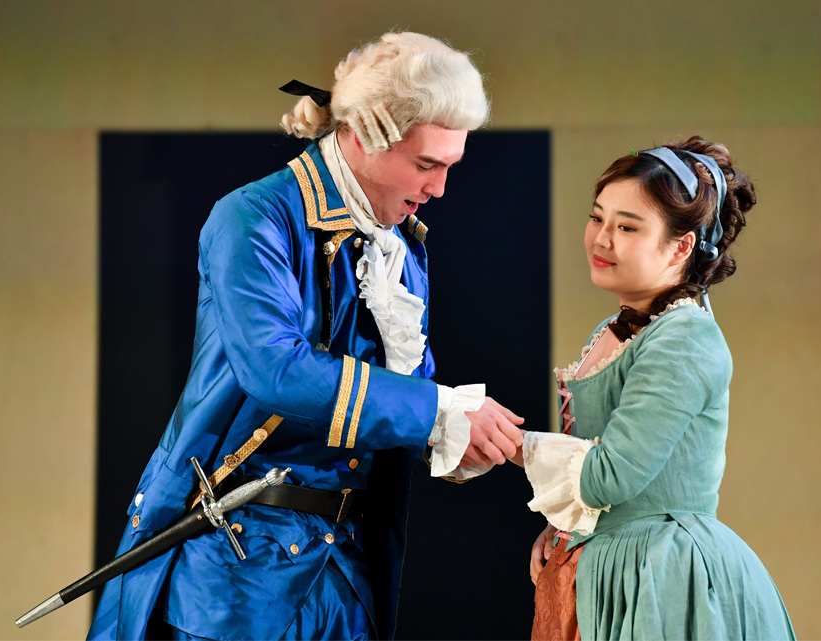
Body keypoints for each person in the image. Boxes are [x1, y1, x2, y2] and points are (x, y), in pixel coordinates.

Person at [87, 31, 523, 641]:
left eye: (450, 166)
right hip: (236, 570)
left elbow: (402, 398)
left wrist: (458, 435)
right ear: (365, 136)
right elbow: (275, 371)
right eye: (427, 165)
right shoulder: (253, 217)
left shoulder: (399, 249)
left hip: (346, 571)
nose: (439, 189)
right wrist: (437, 411)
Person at [512, 137, 796, 639]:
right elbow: (602, 490)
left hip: (661, 579)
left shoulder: (685, 336)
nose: (602, 239)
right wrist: (567, 526)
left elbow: (609, 476)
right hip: (609, 567)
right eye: (597, 218)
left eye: (626, 227)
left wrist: (506, 441)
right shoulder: (621, 329)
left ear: (681, 246)